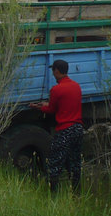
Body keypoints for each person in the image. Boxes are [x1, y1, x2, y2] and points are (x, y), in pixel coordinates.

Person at [30, 59, 84, 193]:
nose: (53, 74)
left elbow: (51, 110)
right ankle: (76, 192)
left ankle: (53, 194)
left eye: (53, 71)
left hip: (64, 130)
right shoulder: (76, 86)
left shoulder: (56, 89)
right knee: (75, 162)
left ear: (57, 71)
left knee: (55, 163)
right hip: (78, 128)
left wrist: (40, 107)